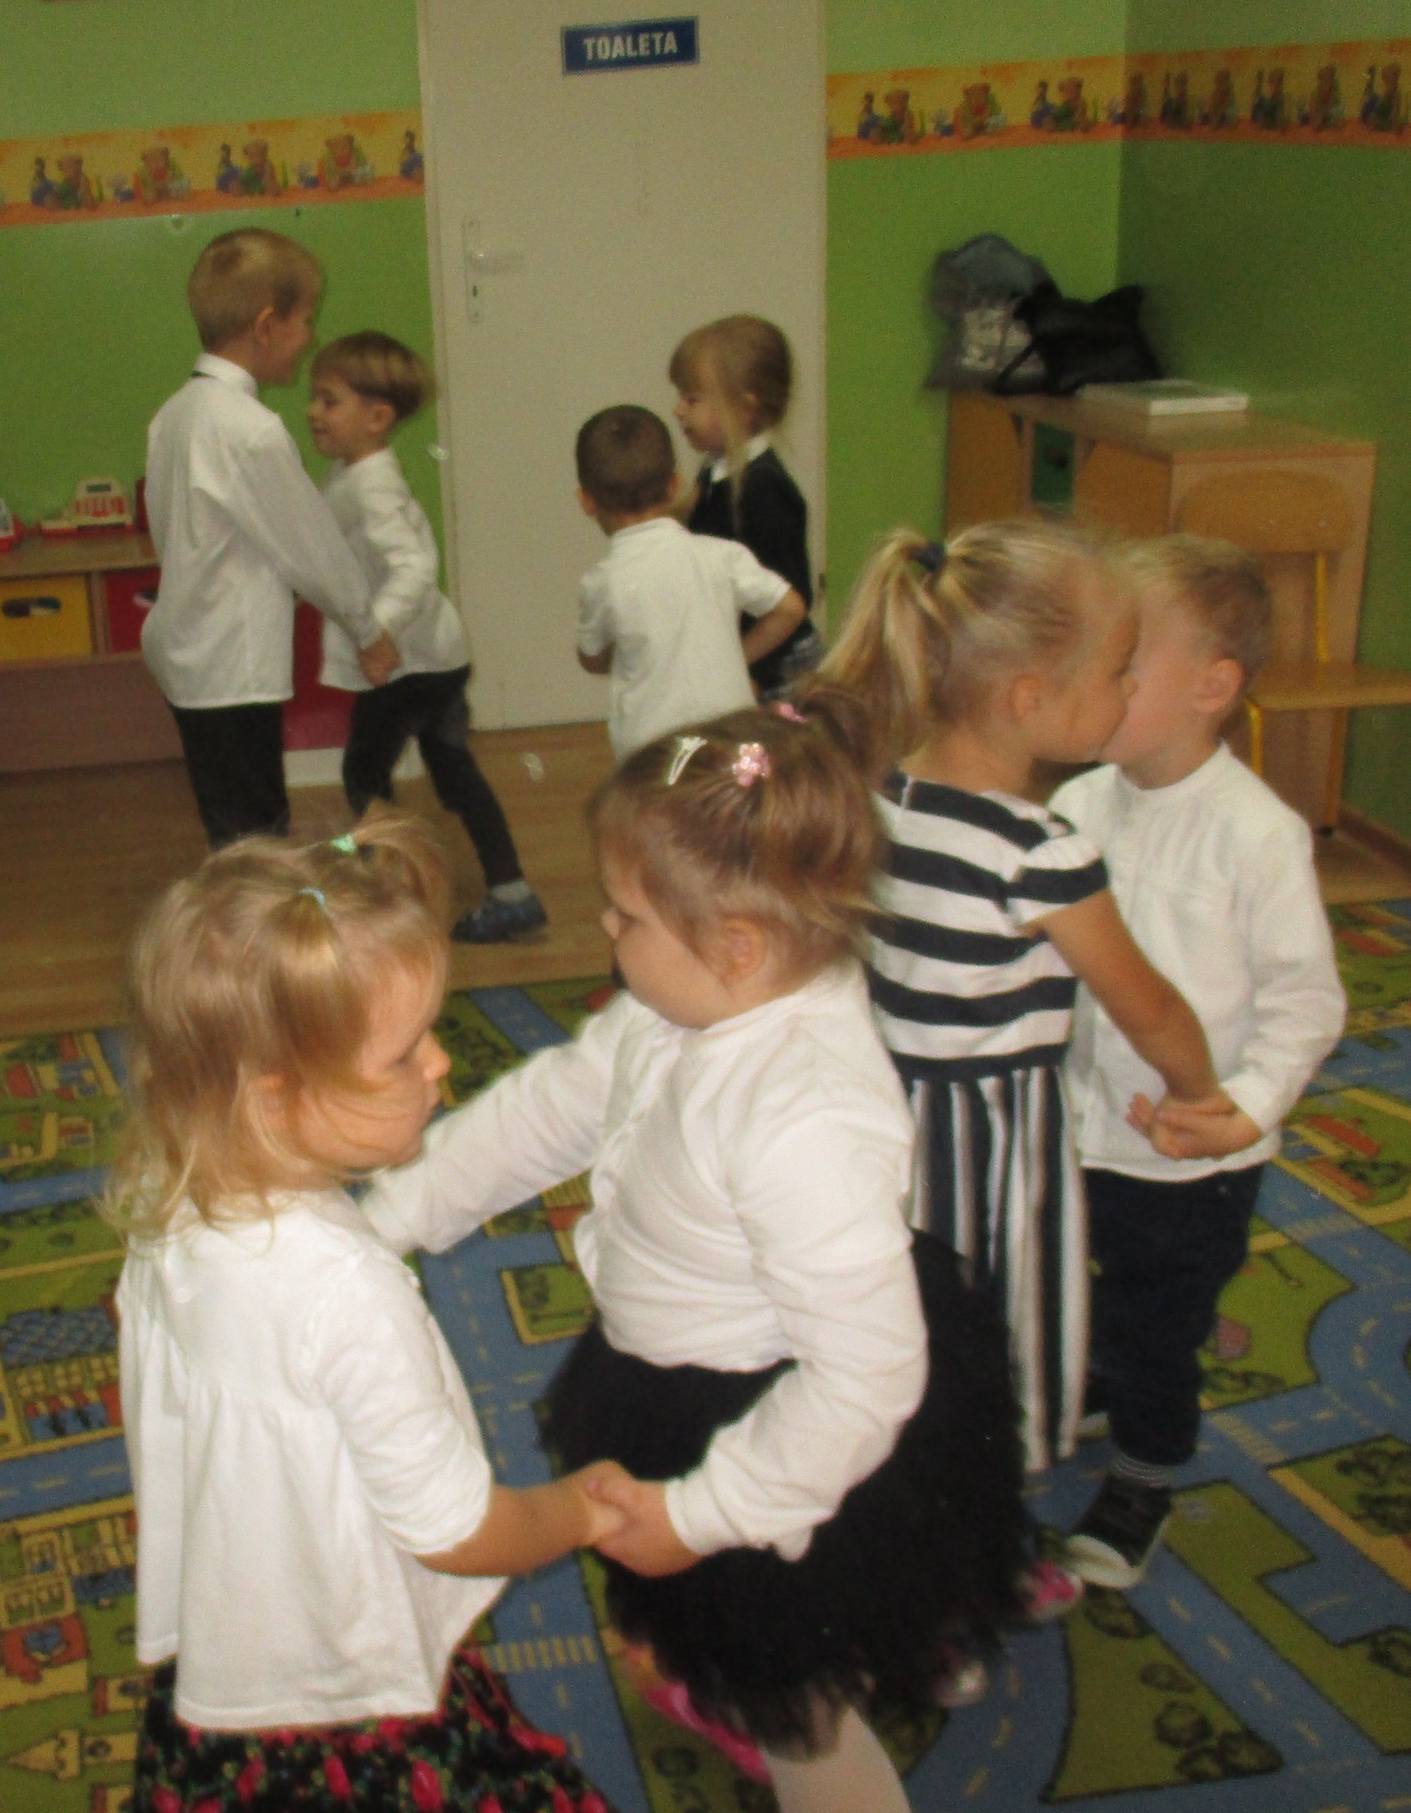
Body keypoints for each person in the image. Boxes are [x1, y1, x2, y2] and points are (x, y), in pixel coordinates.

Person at [367, 701, 1030, 1813]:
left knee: (794, 1698)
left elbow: (863, 1378)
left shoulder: (803, 1117)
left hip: (777, 1415)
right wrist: (390, 1215)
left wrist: (702, 1515)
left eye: (625, 916)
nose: (606, 929)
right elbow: (550, 1109)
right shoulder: (678, 1008)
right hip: (681, 1366)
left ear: (736, 946)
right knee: (724, 1631)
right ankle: (838, 1652)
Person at [109, 816, 625, 1812]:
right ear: (273, 1097)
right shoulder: (346, 1289)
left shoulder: (165, 1201)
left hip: (232, 1659)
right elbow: (454, 1529)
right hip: (357, 1699)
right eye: (401, 1056)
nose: (440, 1064)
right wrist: (578, 1510)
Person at [818, 521, 1235, 1473]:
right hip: (986, 1134)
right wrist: (1200, 1092)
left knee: (902, 1307)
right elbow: (1147, 1005)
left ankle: (891, 1451)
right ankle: (986, 1471)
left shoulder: (882, 793)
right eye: (1118, 672)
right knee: (1006, 1301)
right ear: (1031, 697)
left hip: (877, 1108)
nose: (1128, 692)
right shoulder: (1040, 854)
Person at [1049, 535, 1345, 1587]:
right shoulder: (1077, 806)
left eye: (1122, 662)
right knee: (1077, 1287)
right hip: (1073, 1128)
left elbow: (1307, 1002)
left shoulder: (1256, 835)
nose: (1091, 679)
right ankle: (1099, 1381)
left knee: (1158, 1324)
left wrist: (1248, 1105)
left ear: (1211, 688)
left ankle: (1144, 1477)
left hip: (1190, 1159)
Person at [143, 229, 400, 847]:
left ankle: (243, 903)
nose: (310, 336)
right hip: (232, 668)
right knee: (256, 839)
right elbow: (313, 550)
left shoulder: (174, 415)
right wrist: (367, 628)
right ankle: (256, 912)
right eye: (305, 319)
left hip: (191, 656)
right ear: (266, 325)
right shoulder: (249, 430)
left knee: (232, 831)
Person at [306, 330, 546, 944]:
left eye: (329, 400)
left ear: (377, 417)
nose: (313, 411)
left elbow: (413, 566)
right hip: (432, 659)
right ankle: (510, 889)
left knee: (365, 775)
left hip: (405, 664)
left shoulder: (372, 484)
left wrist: (377, 631)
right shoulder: (355, 473)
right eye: (315, 398)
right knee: (454, 773)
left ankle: (386, 891)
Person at [573, 405, 805, 763]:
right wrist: (737, 656)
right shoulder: (722, 556)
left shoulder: (602, 583)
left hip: (653, 756)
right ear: (675, 485)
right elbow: (790, 608)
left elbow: (592, 658)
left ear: (586, 501)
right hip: (734, 742)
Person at [671, 316, 816, 696]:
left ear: (743, 409)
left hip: (777, 668)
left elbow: (791, 600)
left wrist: (743, 665)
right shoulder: (716, 470)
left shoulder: (764, 488)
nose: (678, 410)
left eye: (692, 399)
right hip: (744, 657)